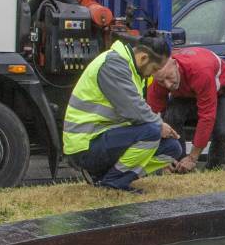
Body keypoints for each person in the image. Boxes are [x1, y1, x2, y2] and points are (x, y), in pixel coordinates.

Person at [62, 34, 184, 192]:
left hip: (103, 137)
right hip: (85, 145)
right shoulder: (113, 65)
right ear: (143, 58)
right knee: (152, 131)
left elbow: (136, 112)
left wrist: (158, 125)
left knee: (172, 148)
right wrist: (160, 125)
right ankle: (113, 182)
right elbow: (134, 111)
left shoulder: (132, 69)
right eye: (154, 68)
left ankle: (107, 176)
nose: (153, 74)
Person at [148, 48, 225, 172]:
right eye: (162, 81)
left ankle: (213, 170)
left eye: (169, 77)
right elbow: (152, 119)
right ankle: (179, 165)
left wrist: (193, 157)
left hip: (220, 90)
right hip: (185, 89)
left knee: (222, 132)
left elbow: (207, 117)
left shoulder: (201, 72)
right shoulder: (160, 80)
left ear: (175, 64)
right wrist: (163, 157)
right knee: (171, 118)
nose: (167, 85)